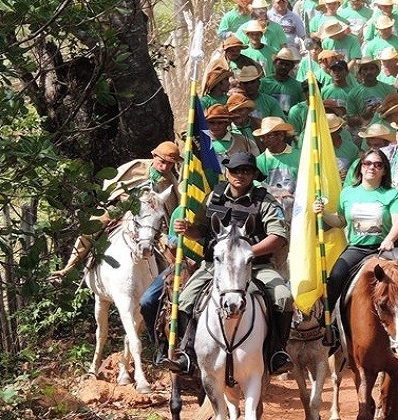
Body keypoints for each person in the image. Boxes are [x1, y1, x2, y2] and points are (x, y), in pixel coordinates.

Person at [162, 152, 294, 376]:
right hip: (214, 267)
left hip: (255, 266)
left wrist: (244, 254)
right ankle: (187, 353)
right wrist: (188, 230)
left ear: (253, 174)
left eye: (246, 170)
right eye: (235, 170)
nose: (240, 175)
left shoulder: (265, 200)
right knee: (185, 299)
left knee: (283, 297)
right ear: (227, 172)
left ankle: (276, 353)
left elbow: (278, 237)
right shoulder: (214, 196)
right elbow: (201, 230)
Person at [313, 149, 398, 340]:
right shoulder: (348, 193)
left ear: (384, 170)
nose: (372, 168)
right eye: (367, 163)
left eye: (377, 164)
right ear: (361, 167)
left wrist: (390, 239)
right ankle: (330, 323)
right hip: (357, 248)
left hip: (386, 247)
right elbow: (341, 221)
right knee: (335, 277)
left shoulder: (392, 194)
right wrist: (323, 213)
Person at [49, 142, 182, 281]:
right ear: (154, 155)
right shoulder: (136, 167)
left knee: (169, 248)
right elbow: (114, 184)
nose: (165, 167)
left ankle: (170, 285)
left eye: (170, 164)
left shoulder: (170, 181)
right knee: (92, 227)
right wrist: (126, 198)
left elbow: (171, 207)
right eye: (162, 162)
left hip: (150, 218)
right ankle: (69, 267)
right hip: (122, 208)